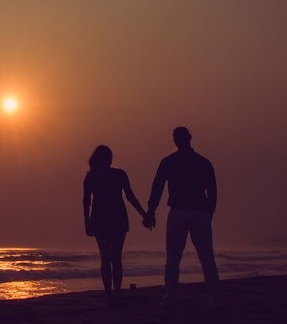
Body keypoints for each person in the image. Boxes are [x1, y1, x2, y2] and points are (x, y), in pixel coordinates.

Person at [144, 126, 220, 305]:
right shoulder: (203, 162)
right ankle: (214, 295)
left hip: (178, 212)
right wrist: (210, 212)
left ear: (175, 140)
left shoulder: (169, 162)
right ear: (190, 138)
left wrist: (151, 210)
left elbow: (157, 188)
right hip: (200, 211)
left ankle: (170, 295)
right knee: (206, 255)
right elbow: (213, 191)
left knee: (173, 256)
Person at [83, 145, 149, 302]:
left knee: (105, 257)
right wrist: (144, 214)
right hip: (117, 217)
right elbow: (130, 197)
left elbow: (86, 202)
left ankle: (108, 292)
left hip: (100, 218)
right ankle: (117, 291)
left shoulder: (91, 176)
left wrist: (86, 222)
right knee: (116, 257)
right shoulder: (119, 174)